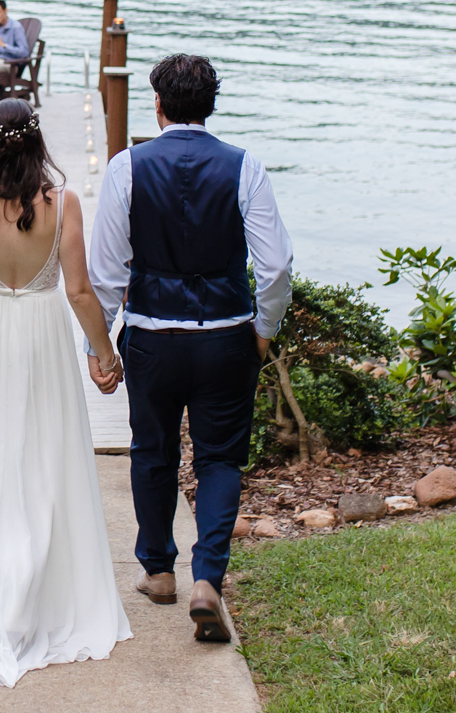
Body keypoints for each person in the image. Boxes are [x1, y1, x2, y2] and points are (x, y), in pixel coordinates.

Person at [0, 98, 130, 685]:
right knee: (45, 456)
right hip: (41, 332)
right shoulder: (63, 203)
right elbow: (81, 292)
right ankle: (45, 595)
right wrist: (105, 355)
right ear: (38, 143)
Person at [85, 54, 293, 643]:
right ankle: (207, 578)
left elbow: (105, 271)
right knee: (219, 458)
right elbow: (275, 265)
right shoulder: (243, 166)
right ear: (212, 106)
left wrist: (100, 347)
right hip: (226, 334)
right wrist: (264, 327)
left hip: (152, 335)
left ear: (157, 104)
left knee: (151, 451)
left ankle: (158, 571)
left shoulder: (128, 168)